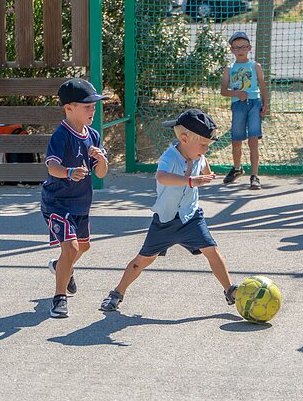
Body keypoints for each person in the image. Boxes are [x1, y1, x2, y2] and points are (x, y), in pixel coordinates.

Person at [99, 109, 237, 313]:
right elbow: (162, 177)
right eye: (204, 145)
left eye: (208, 146)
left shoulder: (198, 155)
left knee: (212, 251)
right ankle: (117, 293)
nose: (206, 150)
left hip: (191, 217)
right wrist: (190, 181)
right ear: (184, 138)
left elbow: (204, 167)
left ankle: (230, 290)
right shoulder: (169, 157)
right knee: (142, 261)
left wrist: (207, 174)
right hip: (165, 221)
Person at [41, 78, 109, 318]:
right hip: (57, 202)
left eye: (94, 105)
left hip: (81, 203)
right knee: (70, 248)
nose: (93, 110)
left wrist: (101, 159)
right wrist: (69, 172)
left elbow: (100, 173)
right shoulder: (61, 135)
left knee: (83, 246)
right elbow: (52, 167)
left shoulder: (93, 135)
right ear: (69, 108)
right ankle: (59, 298)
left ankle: (62, 268)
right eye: (87, 106)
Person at [219, 31, 269, 190]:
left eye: (243, 47)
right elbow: (223, 91)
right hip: (238, 105)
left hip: (254, 104)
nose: (240, 50)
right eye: (236, 47)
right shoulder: (229, 68)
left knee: (253, 141)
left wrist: (265, 104)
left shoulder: (256, 66)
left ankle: (254, 176)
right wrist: (236, 94)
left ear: (249, 48)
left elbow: (262, 85)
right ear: (231, 50)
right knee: (236, 142)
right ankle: (237, 168)